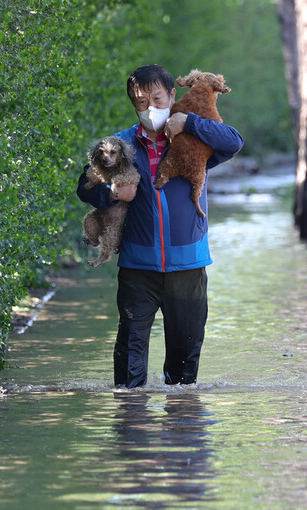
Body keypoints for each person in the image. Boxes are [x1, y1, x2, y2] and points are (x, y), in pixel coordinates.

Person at [76, 64, 243, 388]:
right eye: (140, 101)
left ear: (172, 96)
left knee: (183, 376)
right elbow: (84, 187)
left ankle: (179, 429)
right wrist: (111, 193)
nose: (150, 107)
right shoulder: (121, 145)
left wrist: (190, 121)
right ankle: (131, 428)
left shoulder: (196, 141)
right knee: (128, 370)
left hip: (188, 267)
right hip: (138, 271)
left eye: (156, 98)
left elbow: (234, 142)